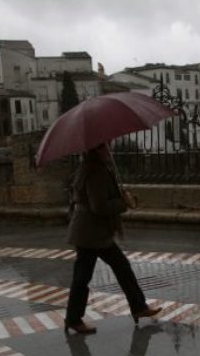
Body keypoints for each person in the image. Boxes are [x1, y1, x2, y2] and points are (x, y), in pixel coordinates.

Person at [64, 142, 160, 334]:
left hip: (93, 232)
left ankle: (138, 307)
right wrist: (122, 202)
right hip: (91, 234)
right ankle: (74, 319)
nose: (110, 150)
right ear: (96, 150)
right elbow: (99, 207)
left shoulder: (92, 167)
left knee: (120, 268)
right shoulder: (95, 171)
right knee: (83, 277)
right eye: (106, 147)